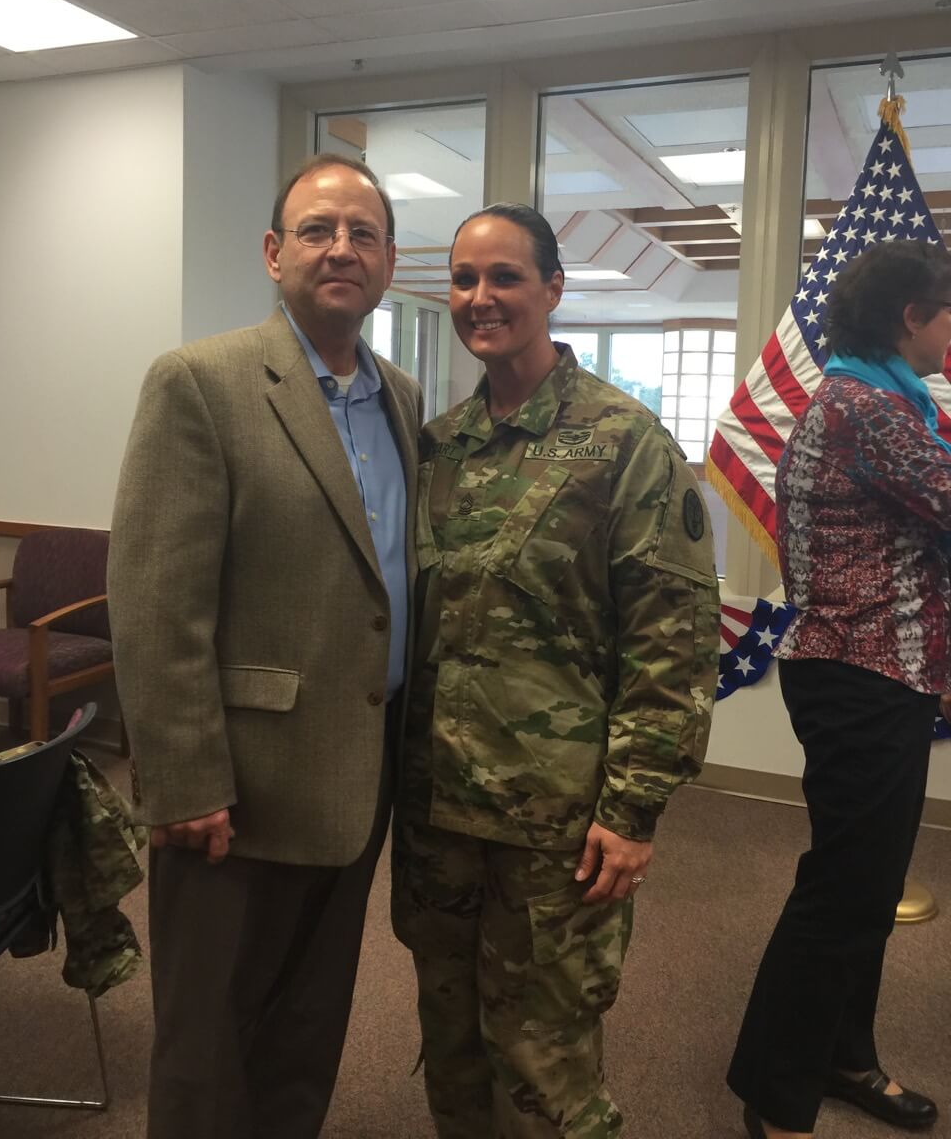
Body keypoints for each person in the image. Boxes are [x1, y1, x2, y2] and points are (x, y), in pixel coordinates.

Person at [108, 154, 422, 1139]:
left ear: (388, 260)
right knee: (211, 1040)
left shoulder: (402, 398)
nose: (342, 248)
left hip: (358, 775)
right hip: (236, 792)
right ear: (274, 251)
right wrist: (184, 776)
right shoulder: (202, 382)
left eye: (363, 232)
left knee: (308, 1024)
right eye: (320, 229)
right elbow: (158, 598)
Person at [391, 202, 720, 1138]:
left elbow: (675, 638)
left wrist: (633, 808)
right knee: (451, 1045)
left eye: (505, 278)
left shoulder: (623, 443)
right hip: (437, 811)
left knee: (545, 1064)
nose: (481, 298)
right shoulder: (439, 446)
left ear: (553, 290)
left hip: (557, 825)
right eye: (463, 280)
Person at [728, 240, 951, 1139]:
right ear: (911, 317)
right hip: (859, 677)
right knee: (841, 894)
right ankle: (773, 1096)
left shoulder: (887, 400)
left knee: (867, 887)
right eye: (947, 312)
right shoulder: (867, 408)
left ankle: (843, 1057)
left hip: (885, 673)